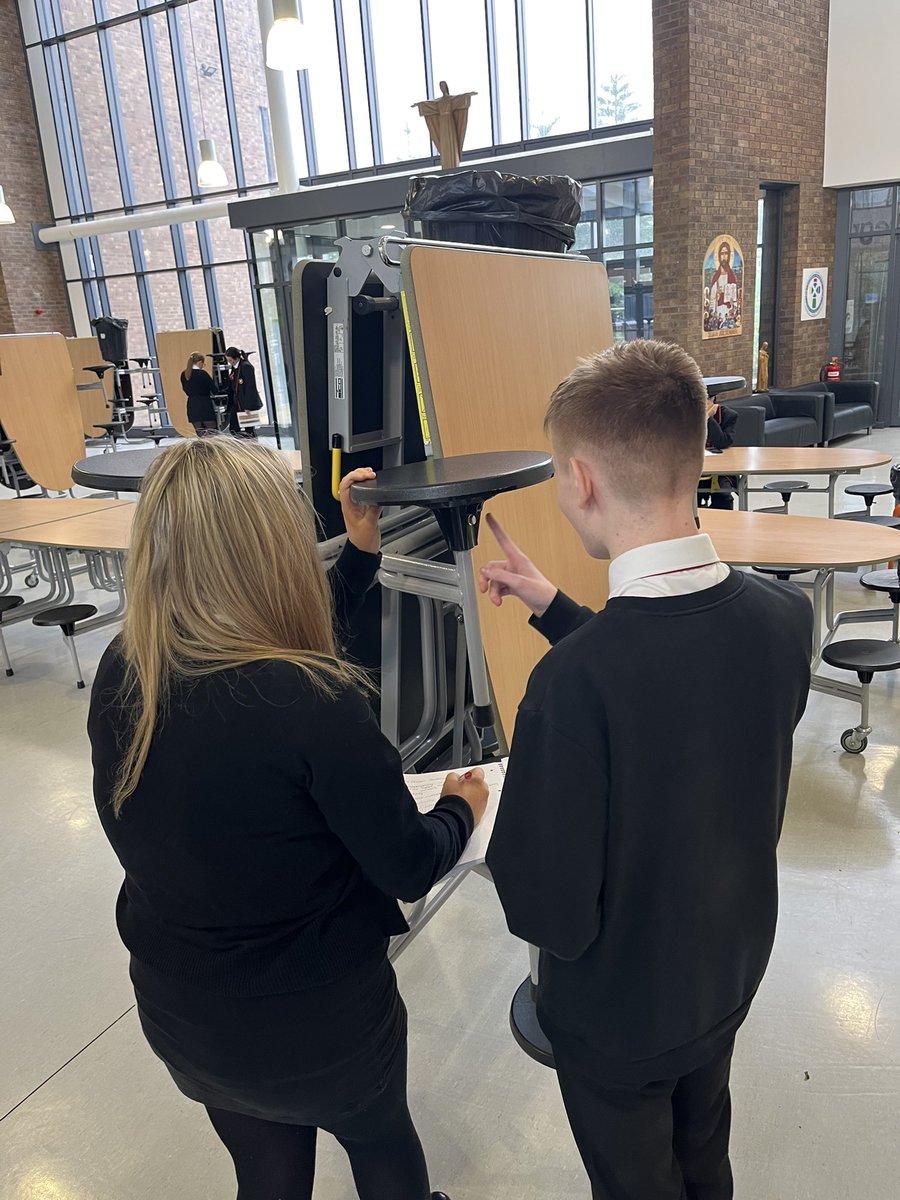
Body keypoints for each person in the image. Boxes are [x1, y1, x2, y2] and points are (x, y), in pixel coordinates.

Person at [88, 437, 488, 1200]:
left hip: (185, 1017)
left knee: (264, 1171)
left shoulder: (122, 672)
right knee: (379, 1139)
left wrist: (361, 556)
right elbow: (407, 863)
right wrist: (459, 811)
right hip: (320, 1025)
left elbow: (249, 664)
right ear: (272, 550)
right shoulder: (316, 706)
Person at [479, 339, 812, 1200]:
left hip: (620, 1018)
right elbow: (685, 693)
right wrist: (556, 609)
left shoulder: (571, 689)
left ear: (582, 479)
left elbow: (543, 904)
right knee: (705, 1151)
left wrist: (479, 826)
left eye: (558, 470)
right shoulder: (785, 619)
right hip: (727, 967)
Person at [698, 397, 738, 509]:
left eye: (707, 399)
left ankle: (720, 525)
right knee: (685, 499)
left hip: (720, 471)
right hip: (694, 470)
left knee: (724, 497)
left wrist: (708, 418)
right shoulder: (687, 414)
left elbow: (722, 442)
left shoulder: (728, 415)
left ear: (713, 399)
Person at [225, 346, 262, 435]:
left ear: (236, 358)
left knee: (249, 429)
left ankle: (250, 445)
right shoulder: (234, 367)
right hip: (237, 402)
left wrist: (248, 406)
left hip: (246, 403)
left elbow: (250, 387)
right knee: (233, 428)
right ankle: (241, 444)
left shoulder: (246, 367)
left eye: (230, 360)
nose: (230, 362)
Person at [180, 351, 217, 436]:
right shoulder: (202, 374)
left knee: (200, 433)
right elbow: (215, 390)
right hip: (204, 404)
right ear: (200, 362)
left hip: (192, 405)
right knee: (212, 433)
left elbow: (185, 390)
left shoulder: (184, 374)